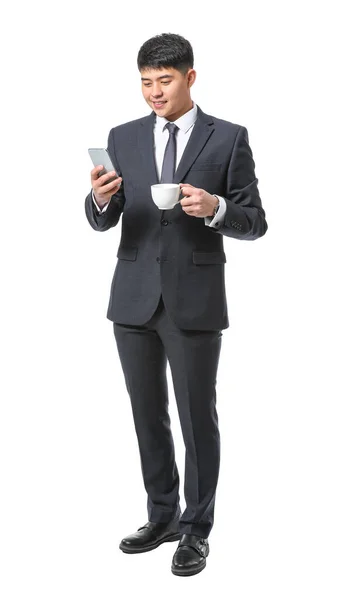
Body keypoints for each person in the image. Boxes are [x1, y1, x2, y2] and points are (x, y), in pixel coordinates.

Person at [84, 32, 268, 577]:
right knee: (147, 418)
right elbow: (104, 217)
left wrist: (215, 207)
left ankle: (196, 529)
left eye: (164, 81)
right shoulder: (123, 136)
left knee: (196, 419)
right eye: (145, 82)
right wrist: (98, 199)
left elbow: (255, 221)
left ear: (190, 77)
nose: (153, 93)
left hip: (194, 300)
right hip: (133, 300)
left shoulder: (228, 138)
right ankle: (161, 515)